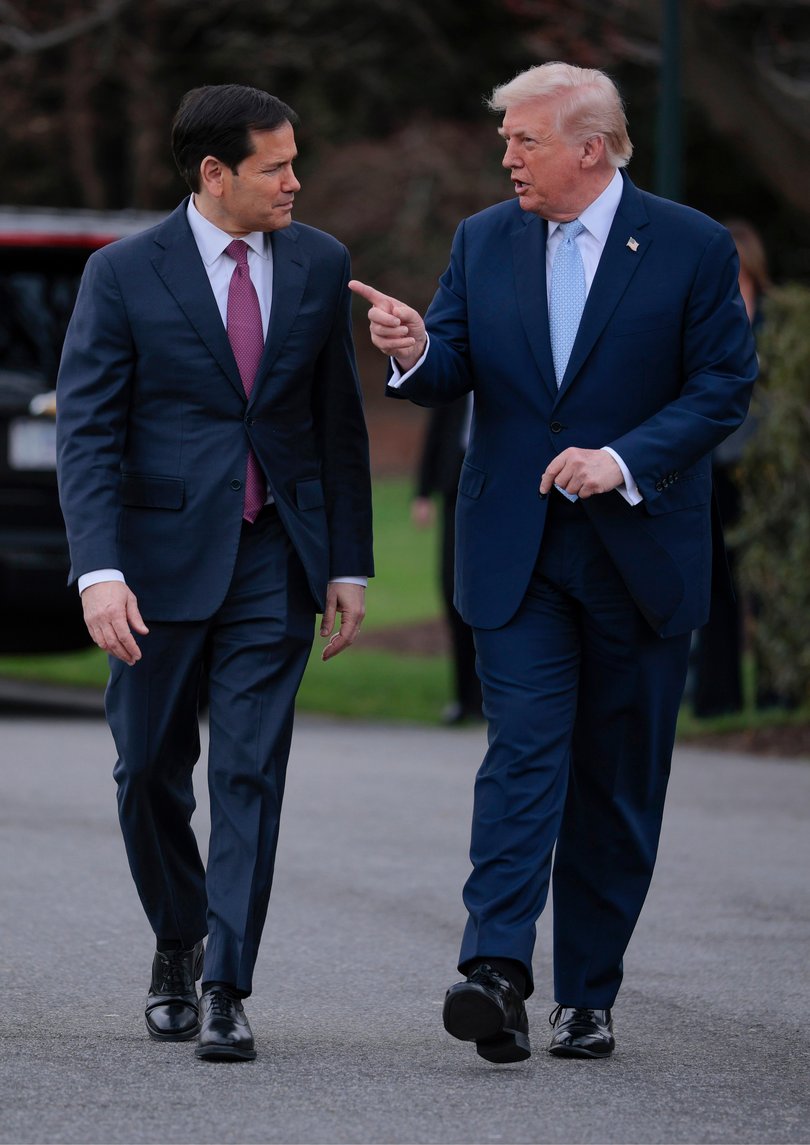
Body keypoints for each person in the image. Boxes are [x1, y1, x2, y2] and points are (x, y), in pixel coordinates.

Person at [350, 62, 756, 1062]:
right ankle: (495, 970)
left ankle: (589, 990)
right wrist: (411, 348)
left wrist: (621, 459)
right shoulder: (483, 238)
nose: (506, 157)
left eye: (522, 141)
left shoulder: (692, 246)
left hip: (640, 548)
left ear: (591, 145)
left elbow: (721, 388)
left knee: (614, 783)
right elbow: (453, 361)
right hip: (516, 552)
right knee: (521, 756)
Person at [56, 84, 373, 1062]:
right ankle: (178, 935)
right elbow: (89, 429)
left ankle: (228, 980)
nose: (295, 180)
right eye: (275, 165)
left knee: (248, 767)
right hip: (151, 566)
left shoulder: (320, 262)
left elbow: (336, 423)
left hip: (273, 557)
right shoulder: (122, 275)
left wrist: (348, 563)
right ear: (213, 173)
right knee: (147, 765)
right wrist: (98, 570)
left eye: (294, 160)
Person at [691, 219, 771, 717]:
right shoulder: (701, 318)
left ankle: (775, 689)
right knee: (715, 582)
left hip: (761, 470)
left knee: (763, 582)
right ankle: (717, 696)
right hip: (713, 464)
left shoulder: (776, 327)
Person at [411, 395, 482, 724]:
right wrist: (424, 492)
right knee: (453, 588)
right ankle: (463, 698)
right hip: (456, 488)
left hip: (502, 487)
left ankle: (488, 697)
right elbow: (437, 430)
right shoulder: (457, 370)